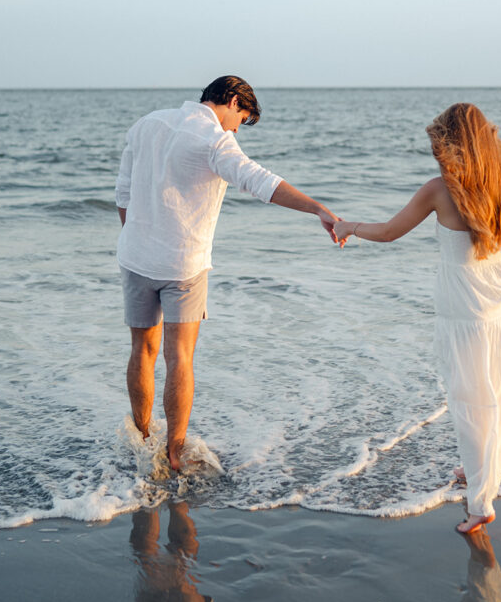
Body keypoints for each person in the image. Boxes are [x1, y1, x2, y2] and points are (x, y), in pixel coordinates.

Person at [333, 103, 501, 534]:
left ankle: (480, 505)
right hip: (496, 295)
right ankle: (477, 469)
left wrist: (348, 226)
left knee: (468, 395)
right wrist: (496, 262)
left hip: (461, 304)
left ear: (450, 146)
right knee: (492, 387)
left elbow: (390, 232)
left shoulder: (439, 189)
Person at [116, 75, 343, 471]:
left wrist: (138, 239)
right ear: (233, 100)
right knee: (179, 357)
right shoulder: (214, 139)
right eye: (242, 119)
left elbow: (123, 193)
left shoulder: (147, 123)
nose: (238, 129)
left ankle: (143, 438)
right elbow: (259, 181)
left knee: (142, 350)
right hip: (183, 265)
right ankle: (174, 453)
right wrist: (318, 209)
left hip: (135, 256)